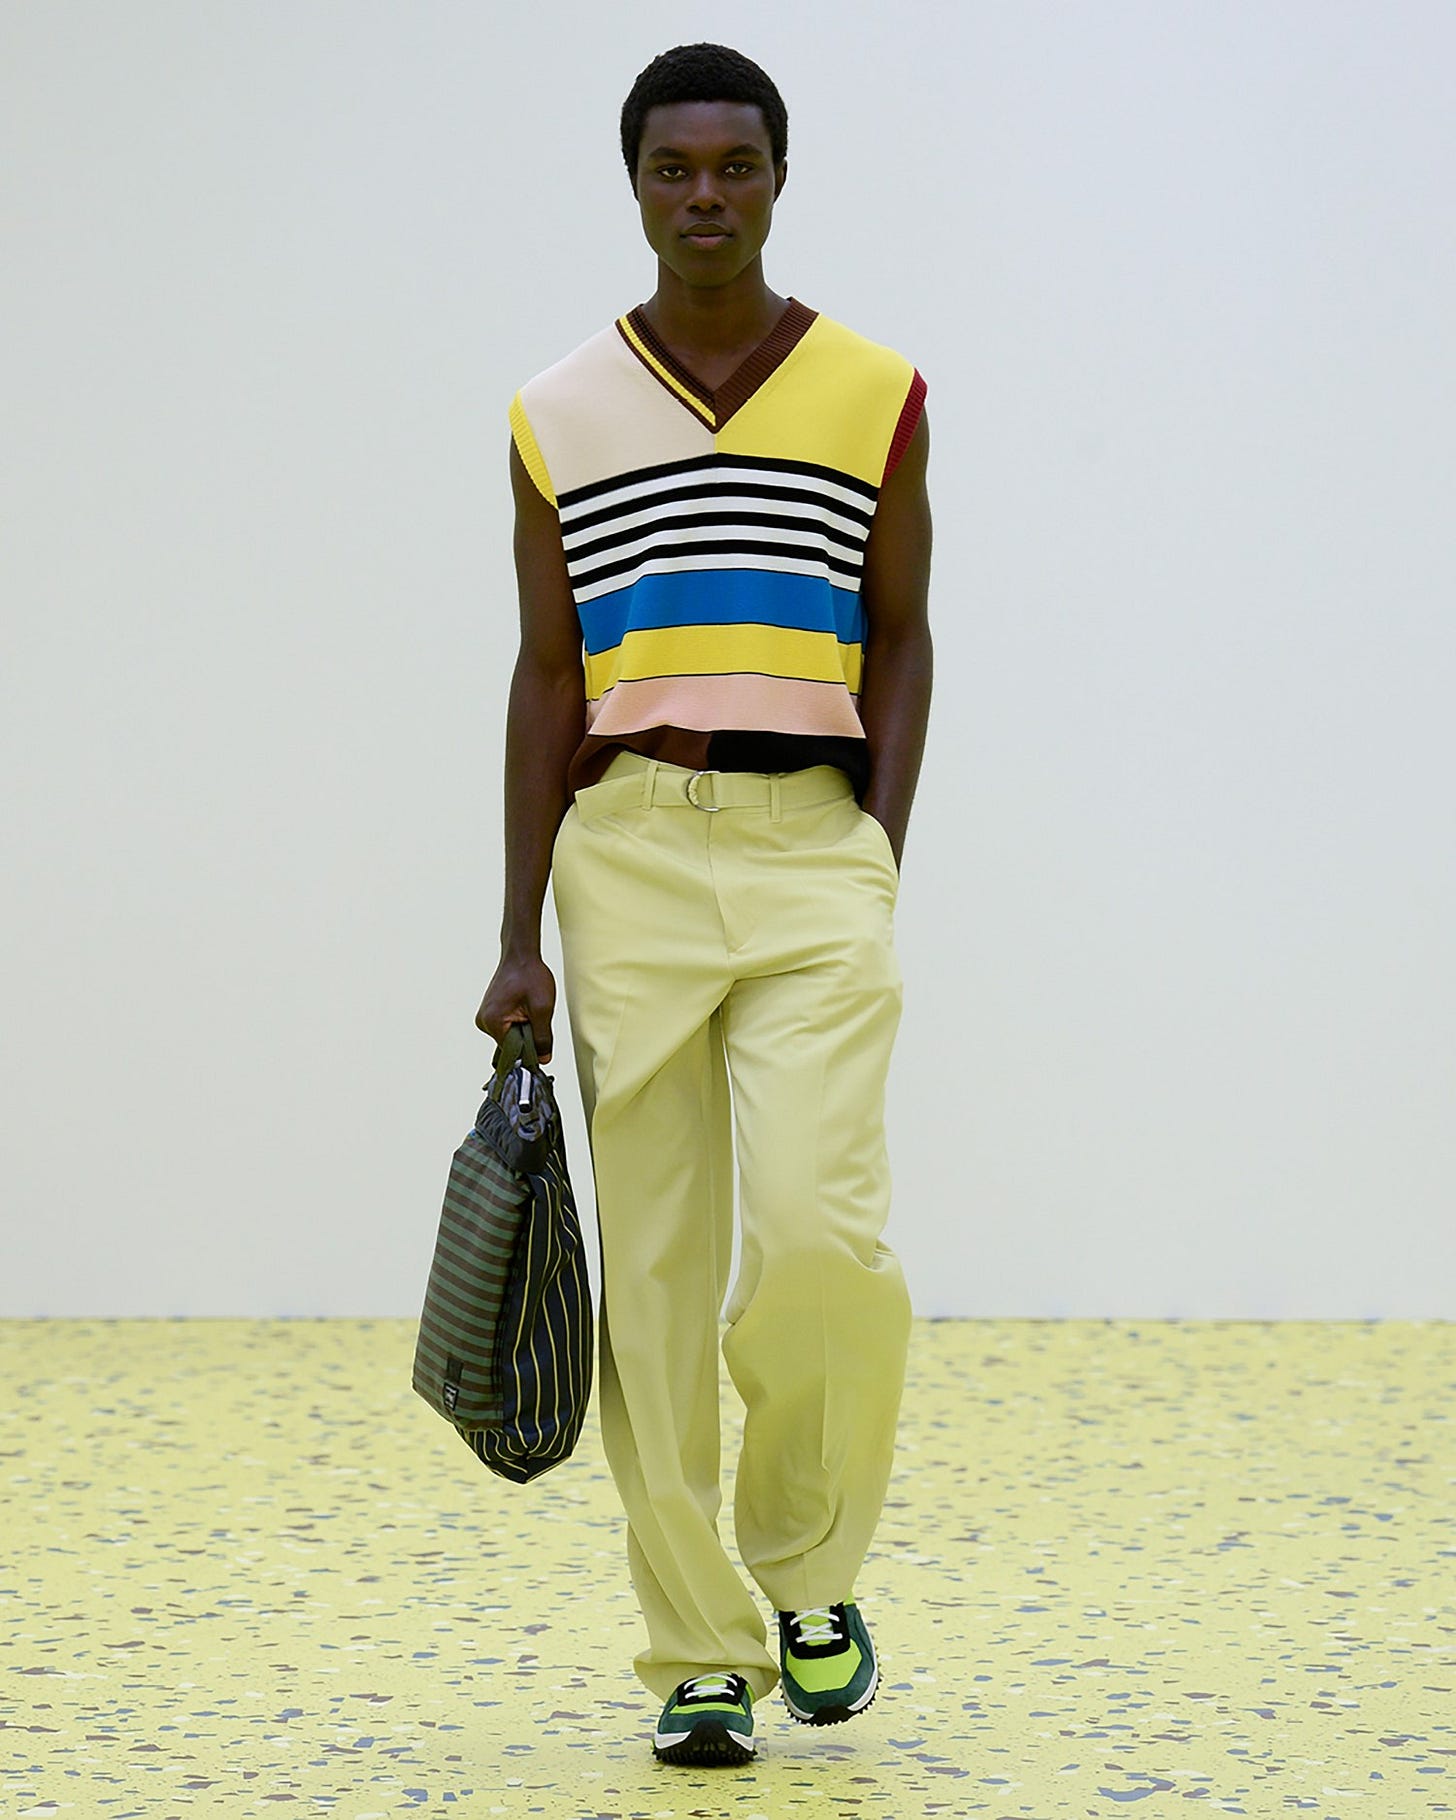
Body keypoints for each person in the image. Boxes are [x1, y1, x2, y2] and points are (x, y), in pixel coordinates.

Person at [475, 41, 933, 1768]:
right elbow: (542, 673)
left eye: (737, 166)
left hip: (814, 844)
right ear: (638, 186)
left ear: (780, 177)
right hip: (632, 858)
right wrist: (518, 931)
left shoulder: (873, 389)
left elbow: (901, 632)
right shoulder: (557, 410)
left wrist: (873, 844)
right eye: (676, 169)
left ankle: (809, 1566)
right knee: (655, 1273)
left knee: (824, 1239)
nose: (707, 197)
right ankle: (696, 1654)